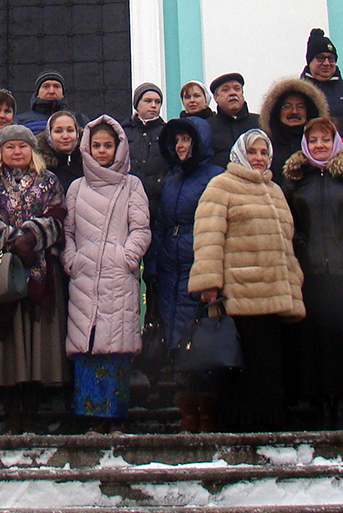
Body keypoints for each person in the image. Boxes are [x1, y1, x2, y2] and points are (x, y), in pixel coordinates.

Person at [189, 128, 306, 432]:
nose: (258, 158)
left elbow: (286, 243)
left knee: (268, 365)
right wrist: (209, 283)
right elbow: (208, 238)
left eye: (263, 153)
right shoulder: (221, 186)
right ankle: (237, 426)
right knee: (238, 365)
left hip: (272, 293)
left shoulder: (275, 190)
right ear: (241, 153)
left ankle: (268, 424)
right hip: (238, 295)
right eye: (252, 152)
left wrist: (293, 288)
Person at [0, 125, 68, 433]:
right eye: (10, 147)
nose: (16, 152)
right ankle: (11, 412)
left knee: (36, 347)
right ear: (1, 151)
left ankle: (31, 411)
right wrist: (11, 240)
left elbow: (58, 215)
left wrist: (33, 237)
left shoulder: (48, 180)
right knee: (6, 347)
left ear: (31, 150)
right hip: (0, 276)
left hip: (40, 275)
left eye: (22, 146)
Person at [280, 118, 343, 423]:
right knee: (316, 340)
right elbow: (285, 217)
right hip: (310, 272)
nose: (319, 146)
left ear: (335, 143)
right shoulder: (296, 180)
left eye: (325, 140)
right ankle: (321, 401)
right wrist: (298, 240)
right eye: (313, 141)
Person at [63, 117, 151, 432]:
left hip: (118, 279)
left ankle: (116, 418)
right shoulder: (76, 187)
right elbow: (67, 233)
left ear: (118, 147)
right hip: (84, 278)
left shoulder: (132, 185)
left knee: (115, 350)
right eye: (96, 145)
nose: (101, 151)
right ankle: (91, 418)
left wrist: (126, 257)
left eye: (107, 146)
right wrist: (72, 260)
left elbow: (140, 229)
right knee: (87, 349)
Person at [147, 115, 225, 431]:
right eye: (177, 140)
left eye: (187, 140)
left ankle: (208, 410)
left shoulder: (215, 178)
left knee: (202, 339)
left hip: (199, 264)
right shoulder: (173, 179)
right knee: (177, 340)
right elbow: (162, 224)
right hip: (170, 269)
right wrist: (153, 266)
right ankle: (187, 411)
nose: (181, 146)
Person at [259, 76, 329, 180]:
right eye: (287, 106)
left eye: (300, 106)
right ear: (277, 111)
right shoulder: (265, 146)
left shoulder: (322, 145)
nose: (294, 111)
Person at [122, 82, 167, 207]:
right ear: (137, 104)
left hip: (158, 199)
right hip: (127, 198)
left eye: (157, 102)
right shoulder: (123, 131)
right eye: (148, 101)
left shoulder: (167, 131)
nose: (153, 106)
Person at [301, 28, 343, 129]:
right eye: (320, 58)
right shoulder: (298, 93)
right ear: (310, 61)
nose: (326, 63)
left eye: (331, 59)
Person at [206, 72, 259, 166]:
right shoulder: (208, 127)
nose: (233, 93)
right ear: (215, 98)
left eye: (237, 89)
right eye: (226, 90)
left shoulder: (260, 122)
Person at [16, 70, 86, 135]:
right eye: (46, 87)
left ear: (62, 94)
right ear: (37, 94)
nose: (51, 91)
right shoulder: (21, 122)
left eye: (56, 86)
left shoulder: (79, 119)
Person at [36, 110, 82, 193]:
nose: (65, 136)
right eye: (58, 131)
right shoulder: (39, 167)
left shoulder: (88, 163)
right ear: (49, 134)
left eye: (70, 130)